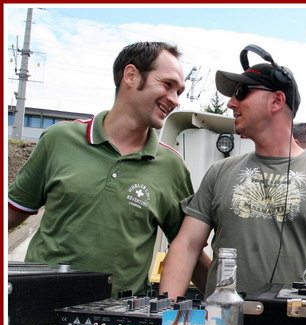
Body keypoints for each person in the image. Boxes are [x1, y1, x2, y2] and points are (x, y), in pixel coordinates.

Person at [159, 46, 306, 300]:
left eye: (242, 92)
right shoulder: (219, 172)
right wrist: (166, 316)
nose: (231, 103)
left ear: (277, 101)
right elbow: (186, 246)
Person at [8, 41, 196, 297]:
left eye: (179, 92)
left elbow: (188, 248)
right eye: (167, 85)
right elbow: (12, 213)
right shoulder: (59, 139)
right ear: (131, 75)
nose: (174, 100)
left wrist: (235, 307)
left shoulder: (171, 166)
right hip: (35, 310)